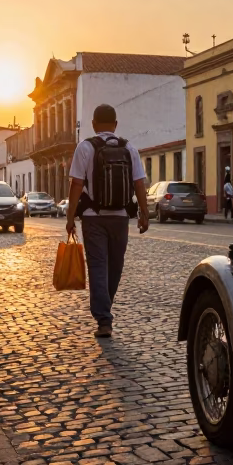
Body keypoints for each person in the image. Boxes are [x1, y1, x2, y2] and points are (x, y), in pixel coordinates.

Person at [67, 104, 149, 338]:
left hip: (94, 218)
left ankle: (104, 319)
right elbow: (139, 184)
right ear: (115, 124)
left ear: (93, 124)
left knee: (98, 267)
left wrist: (70, 216)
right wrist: (144, 213)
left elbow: (76, 185)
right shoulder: (129, 148)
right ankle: (105, 311)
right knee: (115, 266)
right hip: (121, 218)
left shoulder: (85, 148)